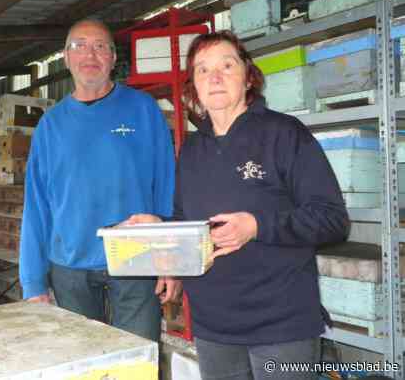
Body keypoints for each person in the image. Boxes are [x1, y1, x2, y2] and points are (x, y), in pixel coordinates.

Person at [126, 30, 350, 378]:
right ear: (194, 87)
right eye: (202, 69)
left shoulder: (285, 134)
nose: (214, 77)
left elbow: (333, 219)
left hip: (281, 326)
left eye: (226, 66)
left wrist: (257, 226)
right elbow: (190, 222)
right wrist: (161, 231)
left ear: (248, 77)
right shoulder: (192, 150)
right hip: (213, 327)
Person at [18, 19, 180, 342]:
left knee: (137, 362)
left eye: (100, 46)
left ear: (113, 57)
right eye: (79, 45)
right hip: (69, 265)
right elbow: (36, 206)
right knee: (83, 364)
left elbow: (167, 188)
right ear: (65, 57)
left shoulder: (143, 110)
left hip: (136, 258)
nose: (89, 55)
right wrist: (33, 282)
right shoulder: (50, 125)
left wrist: (170, 259)